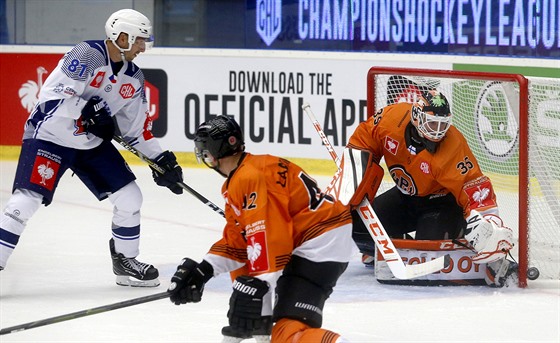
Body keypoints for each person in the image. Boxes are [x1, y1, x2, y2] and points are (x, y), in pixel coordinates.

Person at [0, 9, 183, 287]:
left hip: (89, 144)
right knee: (24, 202)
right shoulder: (87, 54)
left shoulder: (134, 78)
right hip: (50, 136)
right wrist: (86, 110)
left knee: (130, 198)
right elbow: (50, 98)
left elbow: (136, 131)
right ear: (122, 36)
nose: (143, 48)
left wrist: (161, 160)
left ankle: (125, 260)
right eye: (139, 41)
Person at [167, 115, 354, 343]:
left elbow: (272, 234)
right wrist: (203, 271)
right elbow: (239, 240)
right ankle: (261, 329)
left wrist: (260, 283)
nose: (203, 155)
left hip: (319, 243)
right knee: (251, 271)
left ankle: (264, 328)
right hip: (319, 237)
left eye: (204, 150)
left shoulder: (249, 178)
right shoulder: (245, 174)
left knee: (286, 335)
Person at [341, 89, 516, 287]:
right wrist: (353, 174)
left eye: (443, 125)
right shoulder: (392, 118)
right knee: (353, 223)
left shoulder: (453, 146)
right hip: (406, 198)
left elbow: (473, 186)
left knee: (428, 251)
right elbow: (365, 137)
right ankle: (382, 251)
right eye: (433, 123)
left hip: (442, 204)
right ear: (416, 117)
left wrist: (489, 223)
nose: (438, 130)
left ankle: (460, 234)